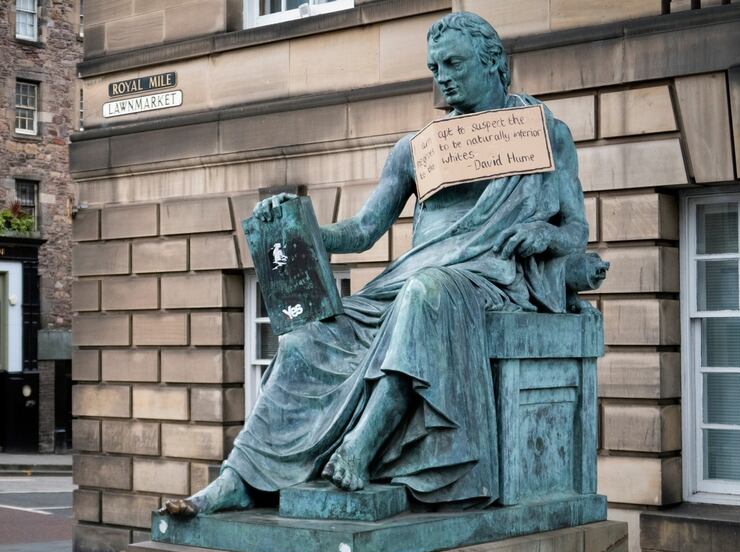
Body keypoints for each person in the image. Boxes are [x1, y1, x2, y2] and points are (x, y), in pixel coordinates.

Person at [161, 11, 591, 517]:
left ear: (493, 61)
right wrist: (301, 228)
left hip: (490, 278)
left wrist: (545, 232)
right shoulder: (418, 148)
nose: (442, 77)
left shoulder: (543, 133)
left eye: (453, 63)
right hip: (412, 281)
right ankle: (241, 477)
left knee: (426, 294)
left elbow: (576, 231)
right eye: (434, 67)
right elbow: (363, 231)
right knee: (305, 340)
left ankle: (362, 448)